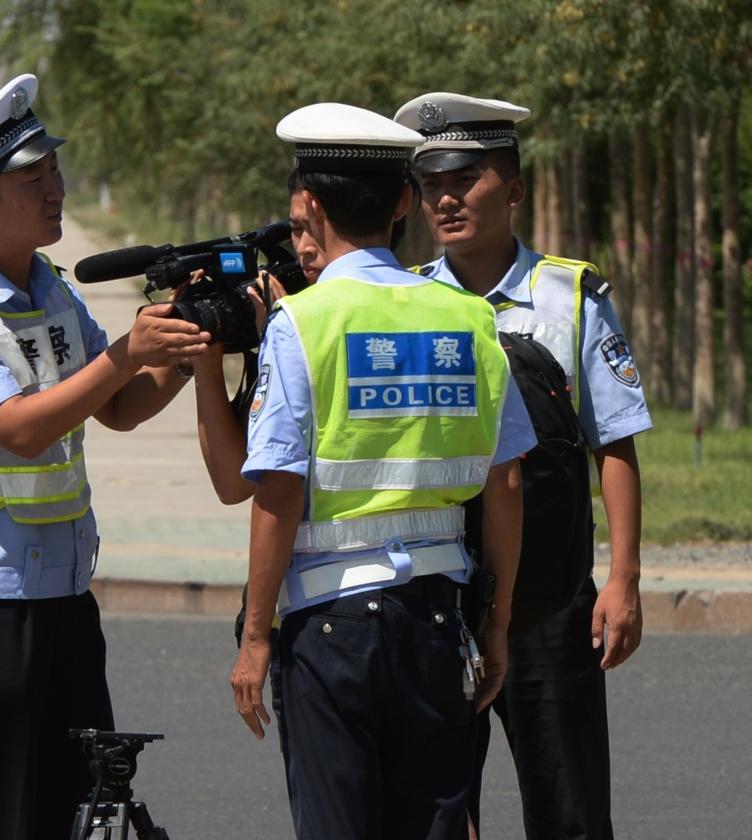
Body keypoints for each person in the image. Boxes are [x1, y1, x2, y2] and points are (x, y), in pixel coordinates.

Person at [0, 74, 211, 840]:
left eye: (54, 170)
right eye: (33, 179)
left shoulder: (52, 291)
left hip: (62, 598)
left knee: (79, 811)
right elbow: (21, 427)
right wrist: (128, 351)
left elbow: (118, 408)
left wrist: (186, 346)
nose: (55, 189)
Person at [229, 102, 534, 840]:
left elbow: (277, 491)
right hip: (437, 622)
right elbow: (509, 483)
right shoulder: (468, 317)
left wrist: (256, 636)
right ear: (404, 202)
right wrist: (497, 626)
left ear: (308, 206)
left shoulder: (302, 322)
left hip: (330, 629)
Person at [395, 92, 652, 840]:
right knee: (439, 812)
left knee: (570, 813)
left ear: (512, 189)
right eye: (431, 184)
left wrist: (625, 580)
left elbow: (615, 439)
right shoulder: (406, 301)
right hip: (437, 597)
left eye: (465, 180)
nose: (444, 199)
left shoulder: (569, 296)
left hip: (548, 601)